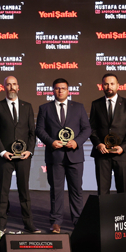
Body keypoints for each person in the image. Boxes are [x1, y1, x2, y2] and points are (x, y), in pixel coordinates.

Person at [35, 78, 91, 234]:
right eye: (57, 88)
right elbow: (39, 129)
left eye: (63, 88)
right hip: (55, 156)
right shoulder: (45, 108)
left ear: (68, 90)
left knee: (76, 190)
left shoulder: (78, 107)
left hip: (75, 156)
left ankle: (78, 220)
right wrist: (51, 142)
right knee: (56, 190)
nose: (60, 91)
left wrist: (77, 142)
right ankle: (56, 222)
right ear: (53, 90)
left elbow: (87, 129)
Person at [0, 76, 39, 233]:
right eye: (8, 84)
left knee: (24, 190)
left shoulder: (27, 106)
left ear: (18, 87)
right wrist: (3, 152)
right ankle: (1, 224)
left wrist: (29, 151)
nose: (11, 87)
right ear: (4, 87)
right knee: (3, 191)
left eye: (14, 84)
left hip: (24, 157)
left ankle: (28, 223)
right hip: (6, 157)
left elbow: (32, 132)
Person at [89, 73, 126, 195]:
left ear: (118, 85)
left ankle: (123, 209)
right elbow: (91, 128)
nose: (109, 87)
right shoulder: (96, 104)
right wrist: (98, 144)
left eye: (112, 84)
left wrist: (123, 147)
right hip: (102, 154)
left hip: (122, 154)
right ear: (102, 86)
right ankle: (104, 209)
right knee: (102, 191)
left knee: (123, 190)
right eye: (106, 84)